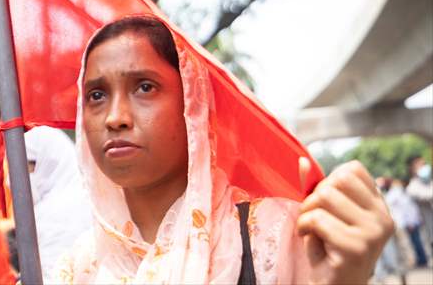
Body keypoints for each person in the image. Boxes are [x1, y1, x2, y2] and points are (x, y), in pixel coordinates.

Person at [53, 17, 394, 284]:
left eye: (145, 87)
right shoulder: (78, 267)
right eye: (96, 95)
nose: (115, 118)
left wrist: (348, 280)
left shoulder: (277, 235)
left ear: (193, 104)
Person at [24, 126, 93, 281]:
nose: (10, 182)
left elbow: (53, 277)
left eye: (25, 169)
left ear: (45, 163)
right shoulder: (88, 195)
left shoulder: (56, 213)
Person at [406, 156, 433, 257]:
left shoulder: (429, 182)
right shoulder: (412, 187)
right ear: (413, 168)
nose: (425, 167)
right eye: (421, 165)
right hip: (429, 230)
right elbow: (427, 196)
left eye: (424, 164)